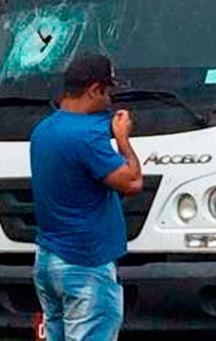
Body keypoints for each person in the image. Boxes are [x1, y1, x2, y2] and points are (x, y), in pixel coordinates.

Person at [30, 52, 144, 341]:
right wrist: (122, 141)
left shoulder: (43, 130)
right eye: (108, 92)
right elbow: (133, 182)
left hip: (48, 261)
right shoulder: (86, 138)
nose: (110, 100)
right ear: (94, 89)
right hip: (85, 263)